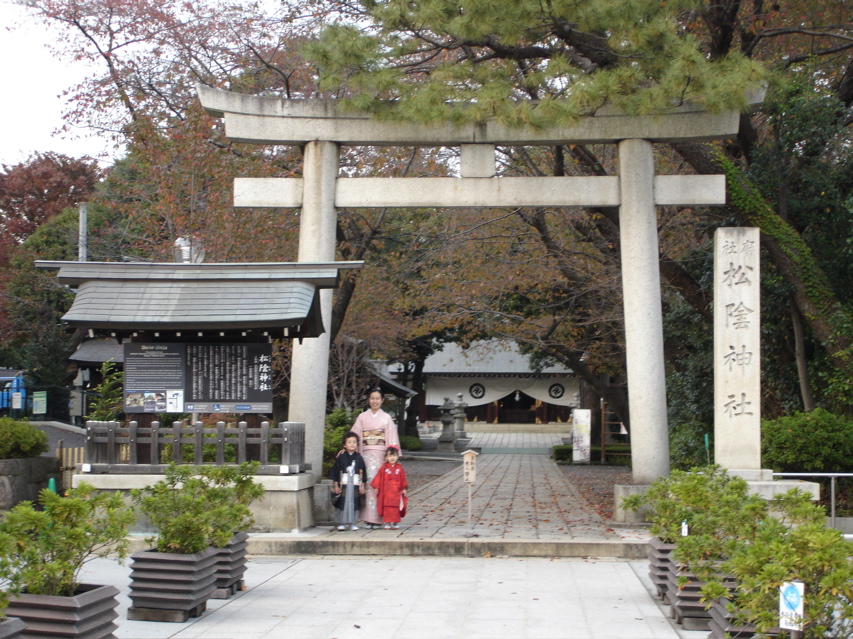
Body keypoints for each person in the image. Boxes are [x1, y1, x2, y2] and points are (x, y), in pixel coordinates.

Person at [351, 388, 400, 528]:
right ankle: (368, 518)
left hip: (381, 456)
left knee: (380, 486)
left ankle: (379, 518)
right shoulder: (362, 417)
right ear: (369, 400)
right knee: (366, 485)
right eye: (372, 398)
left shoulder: (386, 418)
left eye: (377, 398)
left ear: (382, 400)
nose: (375, 401)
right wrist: (354, 452)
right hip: (365, 455)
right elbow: (355, 436)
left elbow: (391, 439)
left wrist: (391, 456)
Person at [328, 431, 367, 531]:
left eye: (354, 442)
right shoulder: (341, 457)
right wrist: (335, 485)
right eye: (349, 442)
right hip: (343, 484)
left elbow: (363, 471)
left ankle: (352, 523)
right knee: (341, 503)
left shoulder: (359, 458)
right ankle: (340, 523)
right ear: (344, 445)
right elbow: (336, 471)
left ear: (357, 444)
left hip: (355, 484)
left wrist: (362, 485)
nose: (352, 444)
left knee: (354, 503)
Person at [370, 446, 408, 529]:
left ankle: (395, 522)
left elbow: (403, 479)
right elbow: (379, 478)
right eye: (390, 456)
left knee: (395, 507)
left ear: (397, 456)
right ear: (386, 457)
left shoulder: (399, 468)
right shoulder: (384, 468)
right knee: (387, 507)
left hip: (396, 492)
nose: (392, 458)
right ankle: (387, 522)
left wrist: (404, 488)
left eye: (394, 455)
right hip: (386, 491)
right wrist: (377, 487)